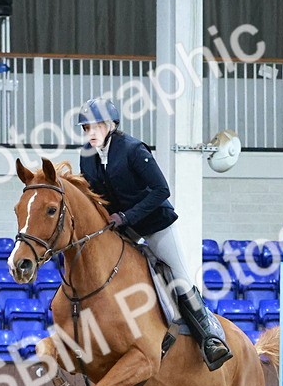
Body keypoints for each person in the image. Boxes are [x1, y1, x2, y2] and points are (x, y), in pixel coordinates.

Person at [75, 98, 231, 371]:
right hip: (121, 227)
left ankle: (209, 337)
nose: (91, 133)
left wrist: (127, 216)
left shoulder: (133, 149)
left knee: (179, 277)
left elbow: (162, 190)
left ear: (111, 125)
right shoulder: (87, 155)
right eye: (86, 127)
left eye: (96, 126)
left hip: (154, 223)